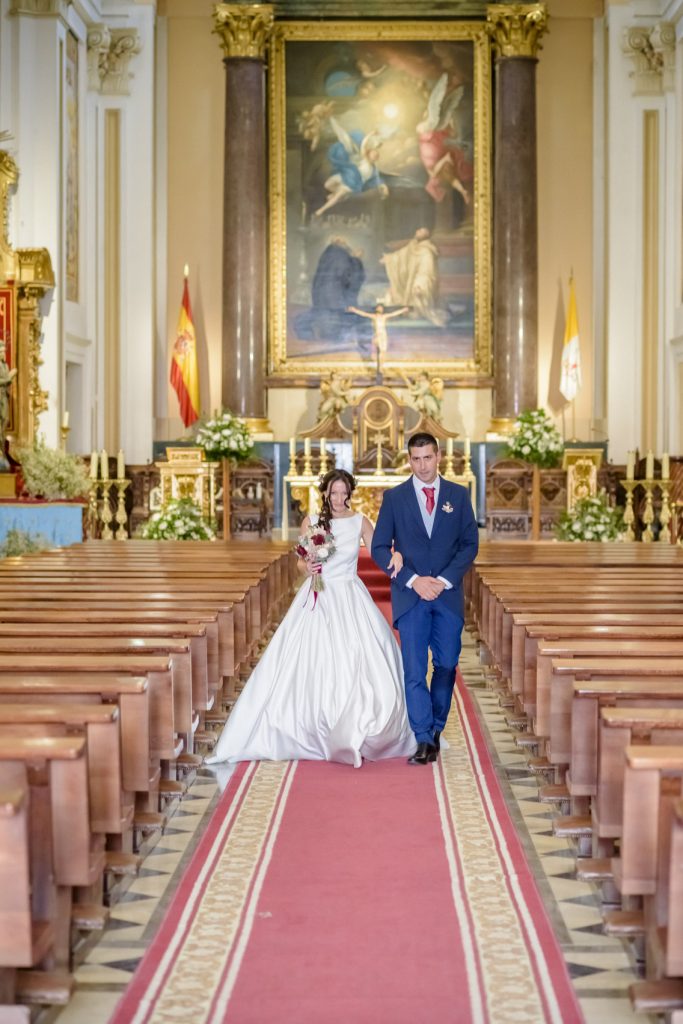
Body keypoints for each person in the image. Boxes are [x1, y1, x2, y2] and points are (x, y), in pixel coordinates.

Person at [205, 469, 416, 768]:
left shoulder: (360, 521)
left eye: (344, 493)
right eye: (334, 493)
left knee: (359, 657)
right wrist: (309, 567)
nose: (339, 498)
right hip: (318, 593)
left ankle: (360, 724)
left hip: (350, 594)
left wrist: (396, 556)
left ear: (350, 493)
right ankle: (307, 726)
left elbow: (379, 552)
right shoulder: (312, 521)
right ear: (325, 493)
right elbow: (300, 564)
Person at [371, 431, 479, 765]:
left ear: (438, 456)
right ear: (409, 460)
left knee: (446, 664)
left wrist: (443, 580)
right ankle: (423, 738)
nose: (422, 466)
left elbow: (469, 545)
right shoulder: (395, 497)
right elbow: (378, 548)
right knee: (414, 669)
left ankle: (435, 726)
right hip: (411, 597)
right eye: (416, 460)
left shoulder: (458, 495)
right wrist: (413, 579)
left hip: (447, 596)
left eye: (428, 458)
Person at [381, 228, 447, 327]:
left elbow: (426, 271)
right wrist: (388, 259)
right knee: (392, 293)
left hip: (420, 281)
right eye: (418, 231)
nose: (417, 232)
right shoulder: (413, 246)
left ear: (426, 235)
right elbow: (400, 255)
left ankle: (418, 311)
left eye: (420, 231)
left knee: (417, 291)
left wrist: (419, 284)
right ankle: (407, 310)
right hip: (410, 279)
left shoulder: (427, 251)